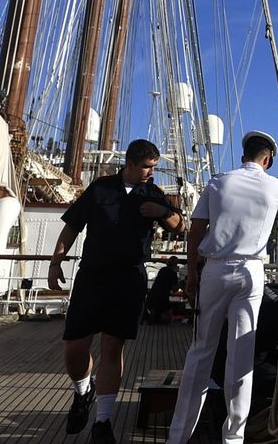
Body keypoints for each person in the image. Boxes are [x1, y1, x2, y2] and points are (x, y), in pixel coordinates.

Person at [166, 131, 278, 444]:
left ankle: (178, 436)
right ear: (267, 159)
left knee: (201, 351)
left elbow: (195, 233)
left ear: (244, 155)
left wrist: (191, 275)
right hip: (251, 273)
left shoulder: (217, 182)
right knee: (240, 356)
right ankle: (234, 437)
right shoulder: (276, 186)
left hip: (214, 272)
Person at [47, 138, 183, 443]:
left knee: (112, 347)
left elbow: (179, 225)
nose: (151, 172)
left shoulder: (154, 194)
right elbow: (72, 225)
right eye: (147, 166)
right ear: (131, 164)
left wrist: (160, 211)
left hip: (128, 278)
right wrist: (56, 262)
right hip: (92, 275)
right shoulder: (100, 188)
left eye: (154, 167)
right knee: (75, 347)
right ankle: (83, 390)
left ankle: (103, 421)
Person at [144, 256, 181, 324]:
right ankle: (158, 319)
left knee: (156, 307)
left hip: (152, 295)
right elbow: (175, 289)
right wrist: (180, 283)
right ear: (175, 264)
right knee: (168, 317)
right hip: (162, 298)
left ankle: (153, 317)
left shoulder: (162, 269)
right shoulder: (173, 273)